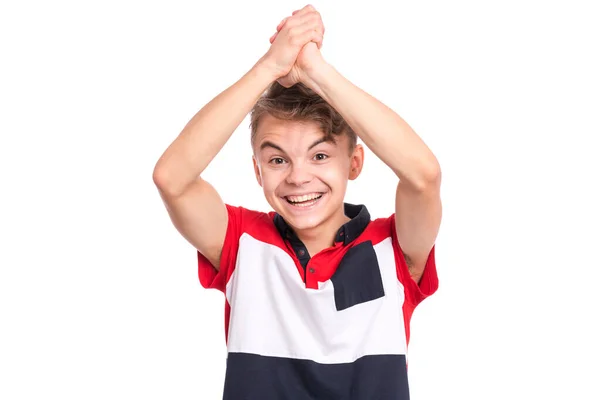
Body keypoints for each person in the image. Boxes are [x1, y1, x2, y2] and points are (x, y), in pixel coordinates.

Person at [153, 4, 442, 399]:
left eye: (320, 155)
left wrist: (315, 70)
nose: (297, 176)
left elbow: (423, 177)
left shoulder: (393, 249)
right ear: (257, 172)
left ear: (353, 163)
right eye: (276, 160)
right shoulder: (241, 242)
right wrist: (268, 67)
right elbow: (172, 179)